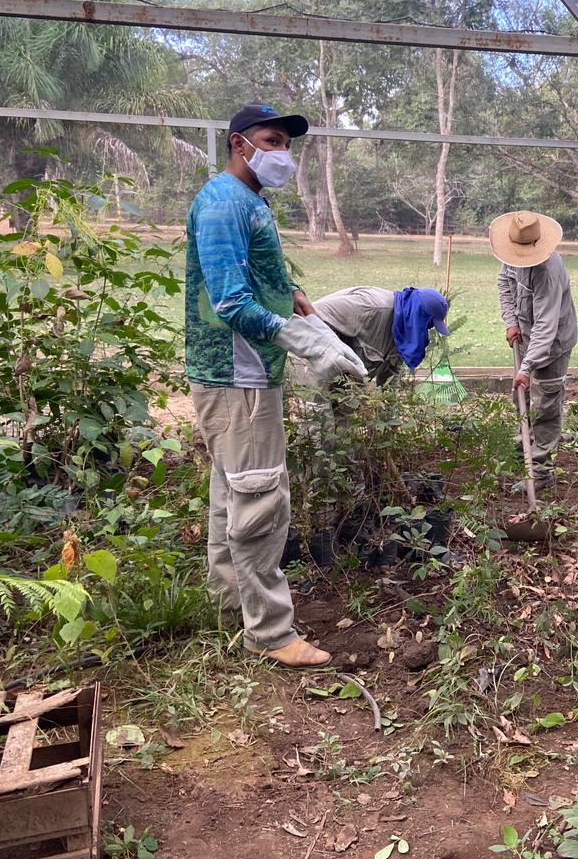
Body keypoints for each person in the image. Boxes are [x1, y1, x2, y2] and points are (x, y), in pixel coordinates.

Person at [185, 102, 366, 668]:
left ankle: (228, 607)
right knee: (261, 499)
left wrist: (295, 300)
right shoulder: (221, 205)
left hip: (248, 374)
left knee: (231, 495)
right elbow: (230, 301)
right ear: (240, 144)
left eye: (287, 144)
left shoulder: (248, 200)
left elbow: (257, 277)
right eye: (272, 140)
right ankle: (271, 633)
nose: (282, 153)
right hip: (238, 377)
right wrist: (307, 342)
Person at [490, 210, 578, 490]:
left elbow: (545, 326)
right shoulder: (511, 255)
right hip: (526, 335)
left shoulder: (547, 271)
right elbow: (505, 283)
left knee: (545, 405)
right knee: (521, 397)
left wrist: (527, 368)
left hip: (552, 344)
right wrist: (510, 321)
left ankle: (540, 471)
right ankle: (521, 455)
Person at [311, 286, 451, 385]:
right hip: (311, 354)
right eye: (429, 324)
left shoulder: (404, 330)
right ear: (418, 316)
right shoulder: (370, 307)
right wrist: (336, 355)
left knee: (348, 413)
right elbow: (313, 315)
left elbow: (390, 381)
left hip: (343, 379)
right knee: (320, 418)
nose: (428, 330)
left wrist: (390, 419)